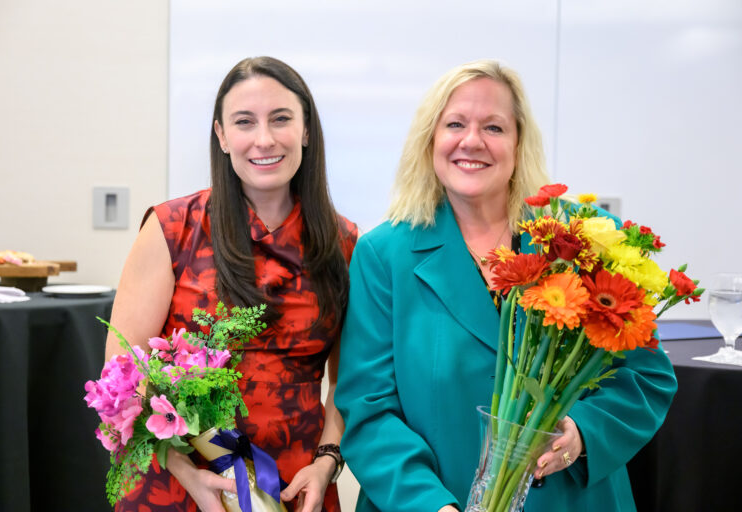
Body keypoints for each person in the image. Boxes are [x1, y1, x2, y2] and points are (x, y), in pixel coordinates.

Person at [334, 59, 677, 512]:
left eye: (493, 127)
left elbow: (647, 376)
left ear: (519, 142)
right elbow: (369, 409)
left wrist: (580, 433)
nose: (471, 141)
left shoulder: (586, 240)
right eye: (455, 123)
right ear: (430, 140)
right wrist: (432, 507)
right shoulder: (383, 254)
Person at [105, 56, 357, 512]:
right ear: (221, 135)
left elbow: (346, 382)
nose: (264, 139)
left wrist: (326, 462)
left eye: (281, 119)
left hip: (296, 488)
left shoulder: (344, 244)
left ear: (305, 131)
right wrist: (188, 475)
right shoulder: (171, 229)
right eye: (245, 122)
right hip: (181, 486)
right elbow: (123, 381)